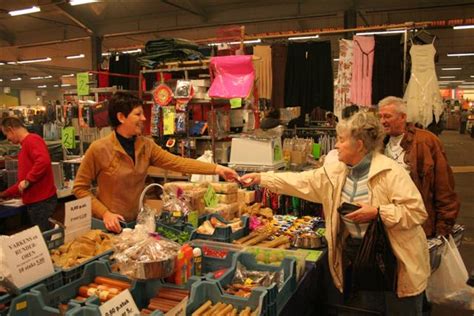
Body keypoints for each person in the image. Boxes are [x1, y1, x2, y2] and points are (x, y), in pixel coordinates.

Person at [240, 112, 429, 313]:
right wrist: (262, 178)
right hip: (362, 257)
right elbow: (301, 181)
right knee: (371, 309)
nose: (336, 145)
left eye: (341, 140)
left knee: (401, 309)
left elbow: (416, 212)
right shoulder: (336, 171)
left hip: (397, 259)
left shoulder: (391, 172)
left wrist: (377, 212)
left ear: (359, 145)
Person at [73, 92, 239, 233]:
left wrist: (217, 169)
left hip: (136, 223)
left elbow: (178, 162)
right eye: (138, 114)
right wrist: (105, 214)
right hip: (108, 226)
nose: (144, 118)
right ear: (121, 117)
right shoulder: (99, 149)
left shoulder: (145, 145)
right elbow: (80, 188)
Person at [378, 96, 460, 237]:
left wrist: (444, 226)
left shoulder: (426, 142)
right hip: (390, 224)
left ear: (402, 117)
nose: (382, 121)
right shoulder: (379, 144)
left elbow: (443, 186)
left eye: (387, 116)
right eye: (380, 117)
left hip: (419, 225)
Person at [0, 117, 57, 232]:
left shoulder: (32, 140)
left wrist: (28, 181)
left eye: (6, 134)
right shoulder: (27, 144)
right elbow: (22, 183)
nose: (8, 138)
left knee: (44, 238)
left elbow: (43, 161)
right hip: (37, 203)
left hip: (41, 204)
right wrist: (4, 194)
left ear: (11, 129)